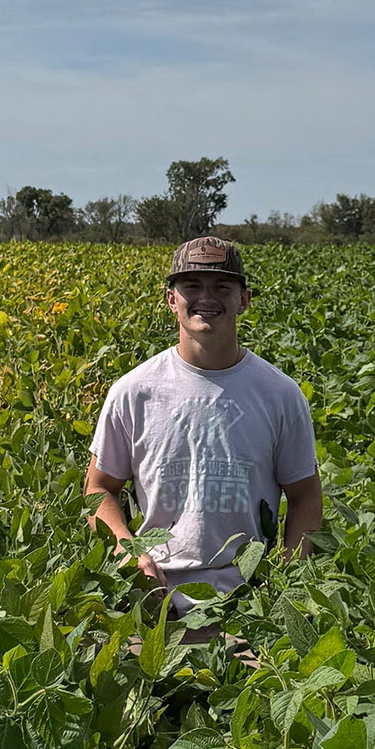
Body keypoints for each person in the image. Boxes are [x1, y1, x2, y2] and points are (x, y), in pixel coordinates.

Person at [84, 236, 322, 618]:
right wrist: (127, 553)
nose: (206, 297)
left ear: (243, 299)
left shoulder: (279, 394)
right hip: (152, 600)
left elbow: (306, 497)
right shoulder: (134, 392)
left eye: (222, 286)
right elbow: (98, 489)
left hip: (248, 603)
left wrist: (285, 582)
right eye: (192, 285)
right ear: (170, 299)